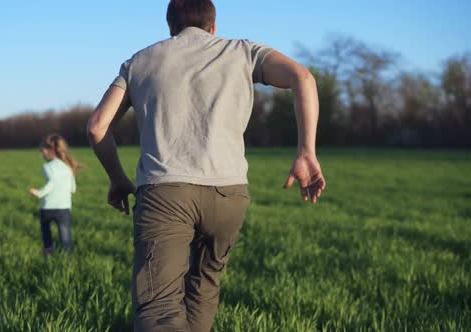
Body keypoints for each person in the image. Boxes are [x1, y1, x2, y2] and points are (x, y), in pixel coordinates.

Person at [87, 0, 326, 330]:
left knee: (159, 308)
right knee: (203, 290)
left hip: (164, 195)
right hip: (228, 196)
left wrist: (117, 178)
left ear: (171, 27)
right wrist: (306, 151)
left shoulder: (140, 61)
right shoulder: (244, 51)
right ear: (213, 26)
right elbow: (303, 77)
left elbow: (97, 127)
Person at [29, 134, 79, 255]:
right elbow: (73, 188)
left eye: (42, 151)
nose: (41, 154)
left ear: (47, 150)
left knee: (46, 235)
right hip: (64, 208)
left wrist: (39, 193)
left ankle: (48, 253)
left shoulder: (47, 166)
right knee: (65, 237)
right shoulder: (68, 167)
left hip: (47, 208)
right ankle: (68, 259)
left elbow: (52, 182)